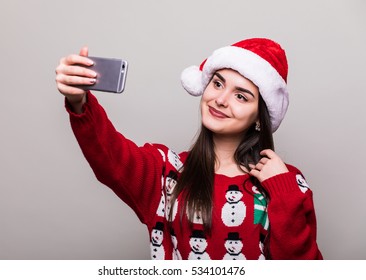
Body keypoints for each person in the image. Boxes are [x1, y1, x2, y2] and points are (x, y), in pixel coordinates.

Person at [55, 38, 323, 260]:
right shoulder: (167, 172)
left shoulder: (287, 184)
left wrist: (283, 189)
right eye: (217, 84)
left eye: (241, 96)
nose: (220, 99)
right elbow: (110, 156)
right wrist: (79, 102)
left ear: (258, 118)